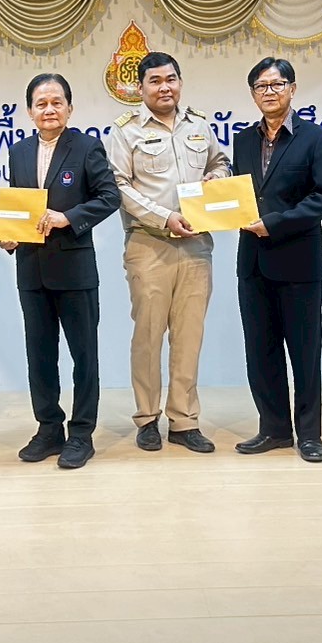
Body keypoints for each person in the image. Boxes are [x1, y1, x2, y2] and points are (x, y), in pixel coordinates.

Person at [106, 52, 230, 454]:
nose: (165, 87)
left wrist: (216, 177)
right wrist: (165, 218)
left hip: (196, 246)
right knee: (148, 336)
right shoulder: (125, 131)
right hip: (149, 244)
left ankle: (184, 420)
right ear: (140, 88)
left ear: (180, 82)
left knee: (189, 337)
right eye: (155, 81)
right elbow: (119, 186)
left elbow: (221, 162)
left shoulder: (200, 125)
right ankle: (147, 418)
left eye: (171, 79)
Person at [2, 74, 121, 470]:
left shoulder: (86, 147)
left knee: (84, 356)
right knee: (39, 355)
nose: (49, 109)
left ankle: (81, 433)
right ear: (29, 110)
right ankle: (48, 428)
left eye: (57, 102)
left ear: (70, 108)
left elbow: (109, 197)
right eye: (41, 103)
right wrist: (8, 235)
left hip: (74, 268)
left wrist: (68, 217)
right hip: (30, 269)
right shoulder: (18, 152)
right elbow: (16, 208)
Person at [231, 58, 322, 463]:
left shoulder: (317, 138)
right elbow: (240, 194)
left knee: (305, 353)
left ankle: (309, 434)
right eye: (261, 86)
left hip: (299, 262)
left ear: (292, 89)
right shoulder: (243, 140)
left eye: (277, 84)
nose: (270, 92)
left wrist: (274, 224)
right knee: (261, 352)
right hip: (252, 262)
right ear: (253, 94)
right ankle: (274, 429)